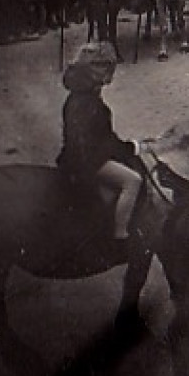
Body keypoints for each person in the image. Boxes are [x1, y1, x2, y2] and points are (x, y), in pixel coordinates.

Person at [56, 41, 145, 241]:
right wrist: (129, 148)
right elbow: (99, 141)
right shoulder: (89, 103)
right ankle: (120, 232)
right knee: (133, 181)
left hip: (76, 156)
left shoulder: (79, 97)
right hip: (87, 162)